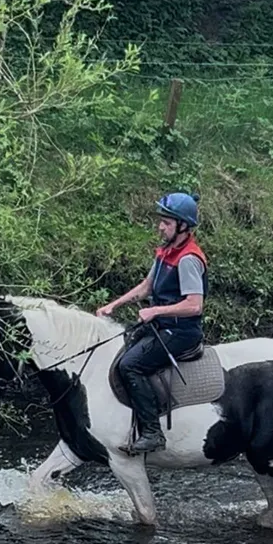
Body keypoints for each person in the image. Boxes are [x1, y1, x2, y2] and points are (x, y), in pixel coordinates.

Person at [97, 192, 208, 454]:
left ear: (182, 226)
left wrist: (156, 311)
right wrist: (114, 304)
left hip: (182, 331)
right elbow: (147, 287)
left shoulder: (188, 259)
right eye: (161, 221)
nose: (160, 227)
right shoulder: (166, 252)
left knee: (130, 365)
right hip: (163, 325)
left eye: (166, 223)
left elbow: (195, 305)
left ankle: (152, 433)